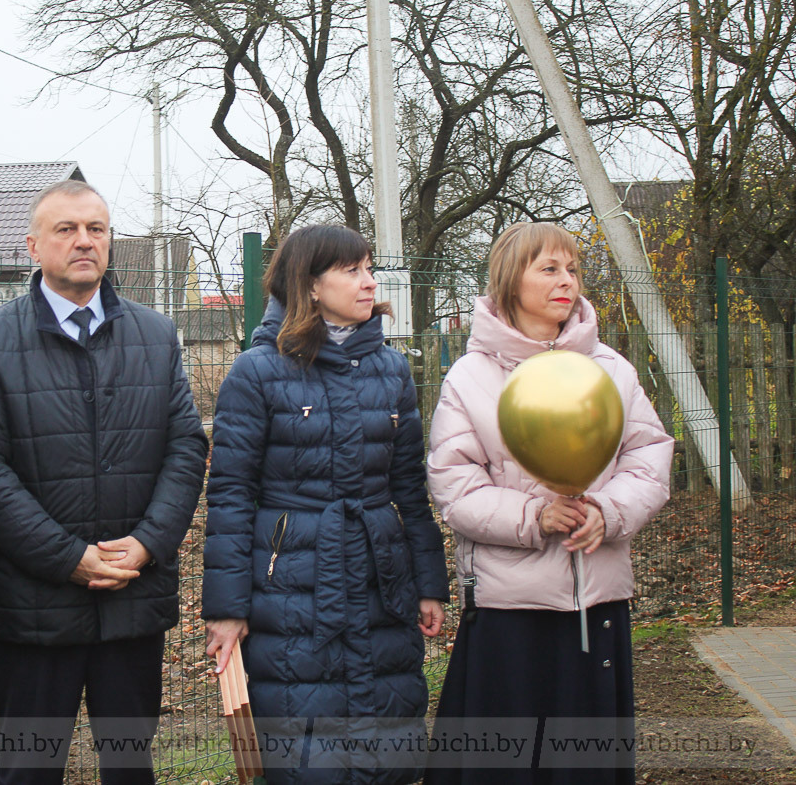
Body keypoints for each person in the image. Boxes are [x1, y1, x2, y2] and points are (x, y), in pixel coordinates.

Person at [0, 179, 209, 784]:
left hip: (131, 597)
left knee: (130, 766)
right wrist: (68, 558)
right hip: (38, 605)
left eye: (96, 228)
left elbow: (185, 447)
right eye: (66, 229)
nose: (84, 241)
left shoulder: (154, 335)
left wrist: (147, 544)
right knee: (27, 768)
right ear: (33, 246)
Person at [423, 222, 674, 784]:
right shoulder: (471, 376)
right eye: (550, 269)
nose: (568, 282)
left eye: (573, 269)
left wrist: (607, 512)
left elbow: (649, 457)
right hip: (511, 613)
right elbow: (453, 486)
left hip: (597, 602)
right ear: (513, 280)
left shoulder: (610, 368)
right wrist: (532, 517)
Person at [202, 224, 450, 784]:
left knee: (387, 742)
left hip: (381, 580)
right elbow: (231, 495)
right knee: (306, 747)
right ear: (310, 285)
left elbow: (409, 486)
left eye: (369, 268)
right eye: (351, 270)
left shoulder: (391, 369)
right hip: (291, 587)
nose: (369, 283)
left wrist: (430, 583)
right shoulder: (257, 371)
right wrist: (226, 607)